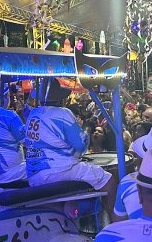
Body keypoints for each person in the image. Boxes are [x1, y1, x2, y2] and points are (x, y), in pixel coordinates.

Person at [25, 81, 116, 213]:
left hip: (34, 175)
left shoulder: (33, 114)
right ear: (60, 99)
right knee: (109, 181)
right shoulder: (62, 113)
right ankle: (115, 219)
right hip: (58, 171)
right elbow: (82, 146)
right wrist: (87, 127)